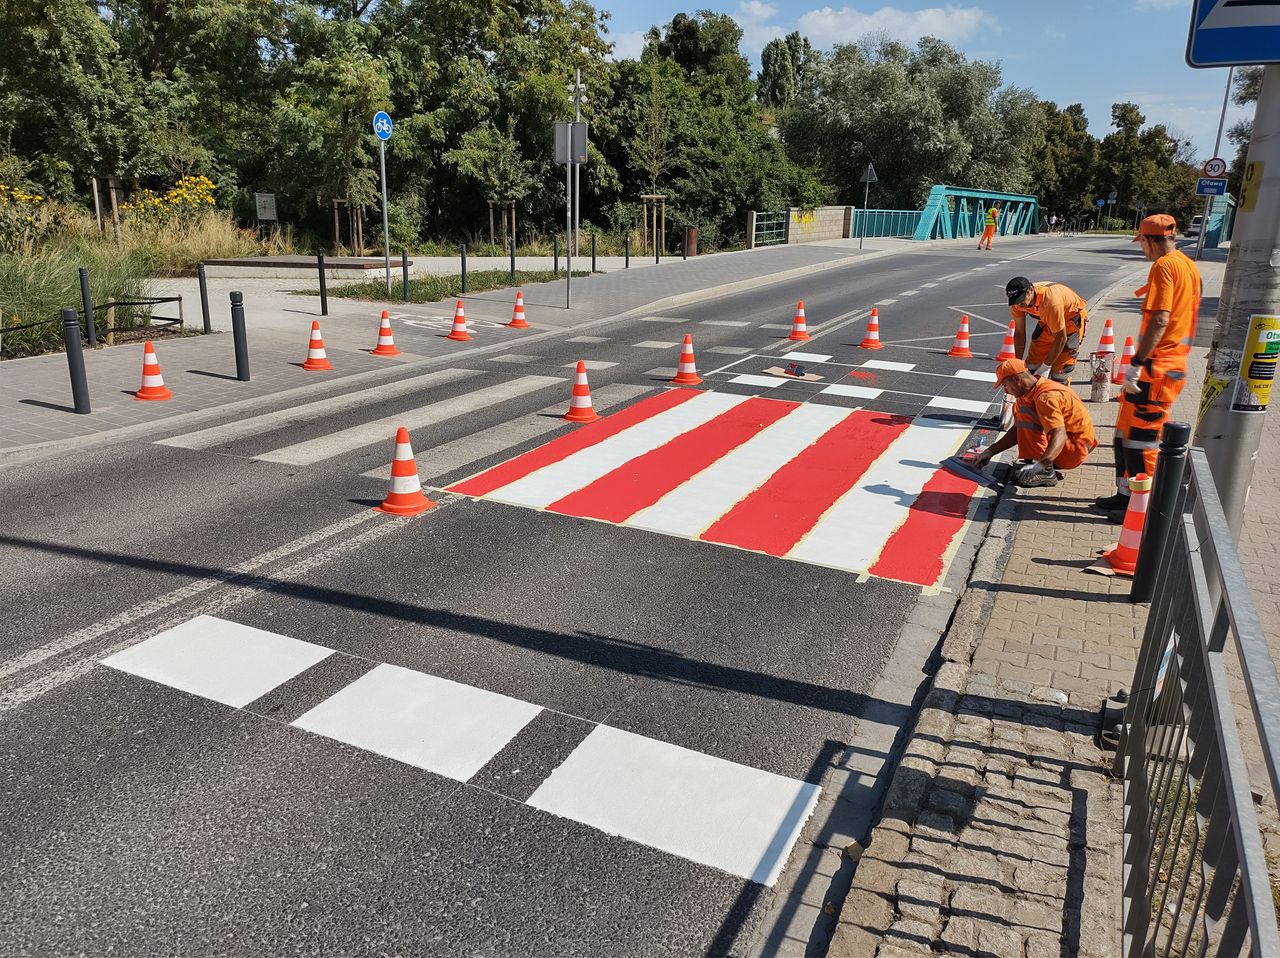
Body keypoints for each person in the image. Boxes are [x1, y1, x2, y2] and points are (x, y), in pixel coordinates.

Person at [1095, 213, 1202, 523]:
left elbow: (1160, 320)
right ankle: (1125, 495)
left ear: (1151, 240)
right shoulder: (1187, 265)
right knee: (1124, 434)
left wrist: (1137, 363)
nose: (1141, 248)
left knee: (1142, 441)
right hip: (1164, 365)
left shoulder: (1164, 267)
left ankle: (1142, 511)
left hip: (1157, 368)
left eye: (1141, 241)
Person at [976, 358, 1098, 486]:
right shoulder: (1031, 392)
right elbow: (1017, 430)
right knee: (1023, 409)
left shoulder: (1046, 398)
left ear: (1017, 379)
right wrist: (990, 451)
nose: (1005, 390)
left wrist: (1040, 466)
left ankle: (1045, 472)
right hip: (1067, 446)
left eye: (1005, 384)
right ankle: (1041, 463)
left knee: (1025, 412)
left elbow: (1059, 434)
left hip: (1073, 449)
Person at [1005, 276, 1089, 385]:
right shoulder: (1017, 304)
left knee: (1060, 372)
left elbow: (1061, 338)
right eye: (1015, 302)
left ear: (1030, 290)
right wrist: (1018, 364)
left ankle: (1059, 394)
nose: (1018, 305)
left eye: (1021, 300)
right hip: (1048, 320)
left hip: (1071, 321)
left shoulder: (1050, 301)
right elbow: (1020, 333)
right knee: (1032, 365)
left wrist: (1046, 366)